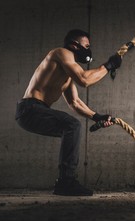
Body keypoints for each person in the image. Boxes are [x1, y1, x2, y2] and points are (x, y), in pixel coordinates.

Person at [15, 29, 122, 196]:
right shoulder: (61, 52)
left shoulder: (67, 73)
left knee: (70, 127)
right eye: (86, 46)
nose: (88, 49)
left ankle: (66, 181)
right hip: (30, 108)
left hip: (35, 112)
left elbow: (75, 103)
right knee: (72, 125)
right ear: (74, 45)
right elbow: (84, 80)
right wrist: (108, 66)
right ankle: (66, 182)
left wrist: (96, 116)